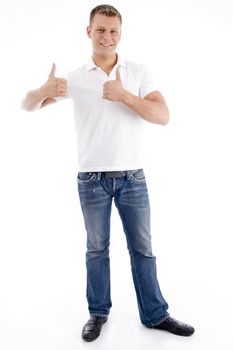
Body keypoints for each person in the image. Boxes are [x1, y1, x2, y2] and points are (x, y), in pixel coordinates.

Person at [22, 4, 195, 342]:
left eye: (113, 31)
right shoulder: (75, 77)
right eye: (100, 30)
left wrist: (124, 95)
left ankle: (156, 315)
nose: (107, 37)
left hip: (133, 178)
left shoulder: (138, 72)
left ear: (121, 34)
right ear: (89, 32)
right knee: (96, 249)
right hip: (91, 180)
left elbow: (163, 115)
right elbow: (26, 105)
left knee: (143, 249)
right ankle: (98, 313)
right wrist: (43, 91)